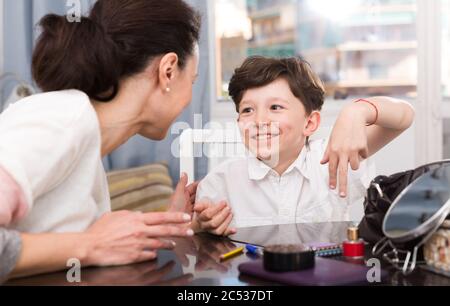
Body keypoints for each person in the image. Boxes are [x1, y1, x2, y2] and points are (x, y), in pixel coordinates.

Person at [0, 0, 202, 279]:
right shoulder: (61, 118)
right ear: (167, 71)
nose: (189, 97)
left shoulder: (86, 148)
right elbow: (91, 246)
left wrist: (170, 222)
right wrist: (90, 245)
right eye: (192, 80)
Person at [193, 56, 415, 232]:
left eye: (275, 108)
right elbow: (194, 237)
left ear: (310, 123)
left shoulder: (332, 159)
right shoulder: (222, 182)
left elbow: (404, 118)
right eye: (248, 110)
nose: (259, 121)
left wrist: (358, 110)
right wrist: (199, 227)